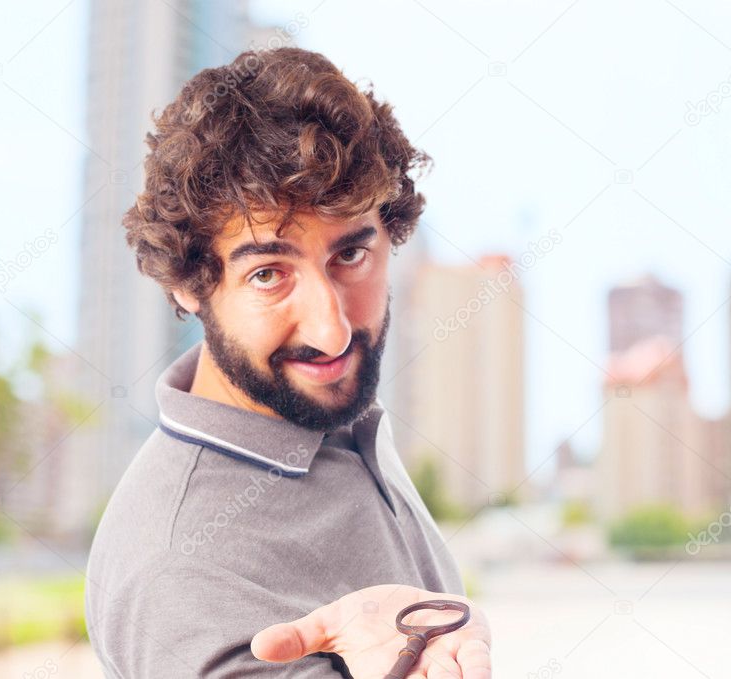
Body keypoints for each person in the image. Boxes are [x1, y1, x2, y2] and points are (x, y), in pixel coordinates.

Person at [84, 46, 492, 678]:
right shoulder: (182, 570)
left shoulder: (325, 415)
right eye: (269, 274)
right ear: (190, 284)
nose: (332, 333)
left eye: (351, 256)